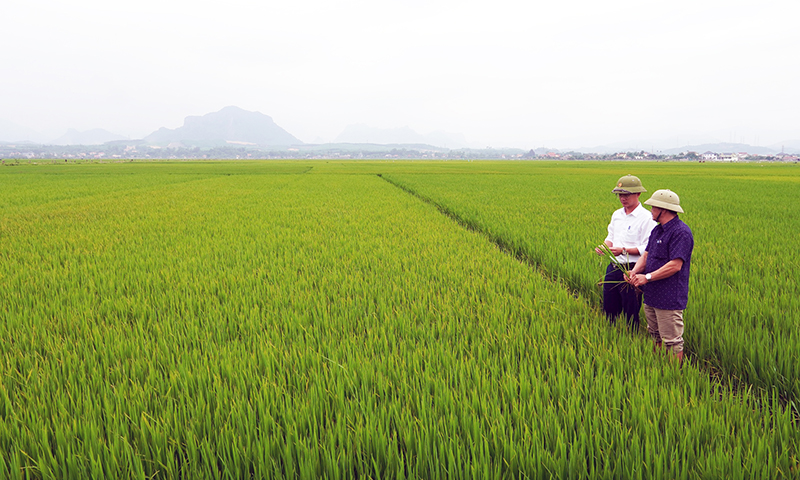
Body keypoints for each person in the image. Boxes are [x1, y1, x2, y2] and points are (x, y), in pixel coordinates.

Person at [628, 189, 694, 363]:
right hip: (651, 295)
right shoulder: (658, 231)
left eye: (653, 207)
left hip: (669, 297)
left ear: (662, 209)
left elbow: (675, 265)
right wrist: (634, 272)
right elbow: (646, 255)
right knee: (655, 335)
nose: (650, 210)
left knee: (672, 341)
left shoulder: (681, 232)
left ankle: (674, 376)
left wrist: (647, 277)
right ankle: (660, 368)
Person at [594, 175, 656, 329]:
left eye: (627, 194)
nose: (623, 198)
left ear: (638, 194)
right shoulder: (617, 215)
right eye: (620, 194)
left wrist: (623, 250)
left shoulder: (647, 218)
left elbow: (646, 248)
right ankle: (611, 335)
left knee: (631, 309)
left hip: (633, 269)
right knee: (609, 307)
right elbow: (611, 237)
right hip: (614, 267)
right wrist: (604, 247)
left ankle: (631, 338)